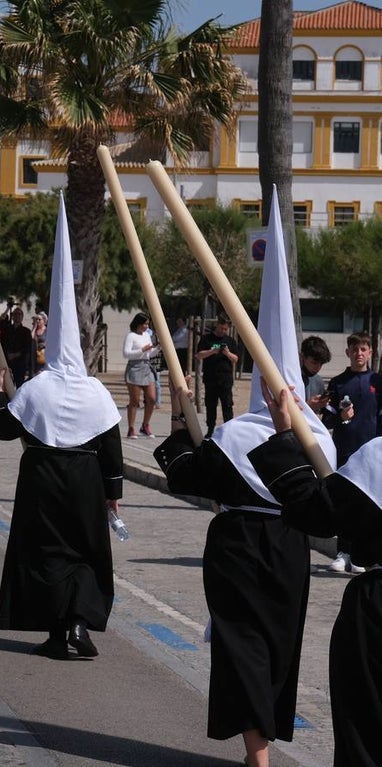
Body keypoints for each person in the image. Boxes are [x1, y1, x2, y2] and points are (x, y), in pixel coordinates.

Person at [154, 190, 333, 767]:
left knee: (246, 648)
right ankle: (261, 749)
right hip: (287, 550)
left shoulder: (239, 438)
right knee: (270, 645)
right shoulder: (319, 436)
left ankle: (258, 750)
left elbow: (184, 475)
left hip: (238, 547)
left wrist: (185, 421)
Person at [0, 198, 122, 661]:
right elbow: (111, 443)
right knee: (85, 551)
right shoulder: (95, 392)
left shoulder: (37, 387)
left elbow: (2, 429)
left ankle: (54, 628)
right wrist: (113, 490)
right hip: (85, 479)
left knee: (45, 552)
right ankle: (76, 625)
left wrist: (3, 390)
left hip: (43, 477)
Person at [249, 381, 382, 767]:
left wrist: (285, 434)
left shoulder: (377, 457)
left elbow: (315, 512)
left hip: (376, 613)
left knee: (366, 730)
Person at [320, 332, 382, 574]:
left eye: (363, 349)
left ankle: (366, 554)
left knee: (372, 505)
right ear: (347, 352)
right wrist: (340, 418)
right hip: (346, 451)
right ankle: (343, 552)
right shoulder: (337, 383)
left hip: (373, 455)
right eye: (354, 349)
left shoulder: (378, 381)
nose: (359, 354)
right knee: (345, 503)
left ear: (370, 353)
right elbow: (326, 419)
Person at [196, 318, 238, 439]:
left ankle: (229, 429)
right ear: (217, 326)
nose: (223, 331)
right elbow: (198, 355)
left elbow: (235, 359)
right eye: (221, 328)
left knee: (227, 405)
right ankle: (210, 429)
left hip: (225, 378)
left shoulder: (230, 341)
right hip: (211, 378)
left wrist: (227, 353)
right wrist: (212, 351)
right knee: (210, 405)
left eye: (225, 329)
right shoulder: (206, 339)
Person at [123, 312, 159, 438]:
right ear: (138, 323)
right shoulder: (131, 336)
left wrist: (158, 349)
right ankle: (131, 428)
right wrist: (142, 350)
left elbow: (150, 354)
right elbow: (126, 354)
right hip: (134, 367)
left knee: (151, 398)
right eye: (145, 324)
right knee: (135, 401)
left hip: (146, 367)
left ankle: (145, 425)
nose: (146, 326)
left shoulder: (146, 336)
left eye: (148, 324)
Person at [0, 307, 33, 386]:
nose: (17, 316)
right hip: (7, 363)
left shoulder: (26, 331)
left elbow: (27, 348)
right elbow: (0, 322)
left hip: (19, 364)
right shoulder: (7, 329)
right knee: (7, 386)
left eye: (19, 314)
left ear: (22, 317)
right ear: (12, 316)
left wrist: (15, 354)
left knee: (19, 386)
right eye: (15, 314)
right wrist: (8, 308)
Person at [299, 335, 331, 415]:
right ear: (302, 357)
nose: (318, 368)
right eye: (314, 363)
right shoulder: (289, 377)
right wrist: (307, 406)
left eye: (321, 364)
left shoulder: (318, 381)